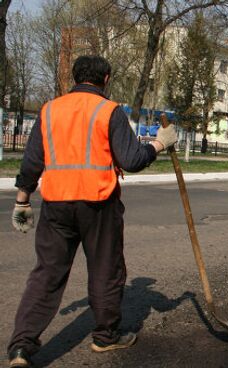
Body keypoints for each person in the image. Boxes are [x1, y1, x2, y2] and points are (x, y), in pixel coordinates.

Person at [7, 55, 178, 368]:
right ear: (107, 78)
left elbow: (32, 162)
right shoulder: (108, 111)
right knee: (105, 270)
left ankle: (21, 348)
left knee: (46, 274)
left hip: (56, 205)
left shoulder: (49, 110)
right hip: (99, 205)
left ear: (75, 78)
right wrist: (159, 144)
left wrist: (21, 201)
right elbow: (131, 159)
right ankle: (105, 338)